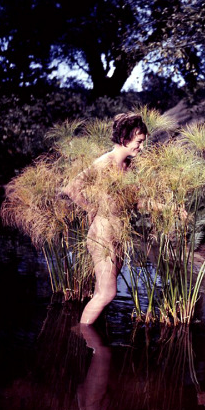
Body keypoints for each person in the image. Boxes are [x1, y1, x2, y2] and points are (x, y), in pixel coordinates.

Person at [63, 112, 148, 325]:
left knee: (102, 291)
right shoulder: (104, 162)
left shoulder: (128, 167)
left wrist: (170, 208)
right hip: (103, 236)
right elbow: (72, 188)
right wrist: (92, 208)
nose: (141, 147)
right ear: (124, 138)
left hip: (119, 235)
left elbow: (136, 202)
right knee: (107, 294)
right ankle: (83, 336)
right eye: (138, 142)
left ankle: (88, 341)